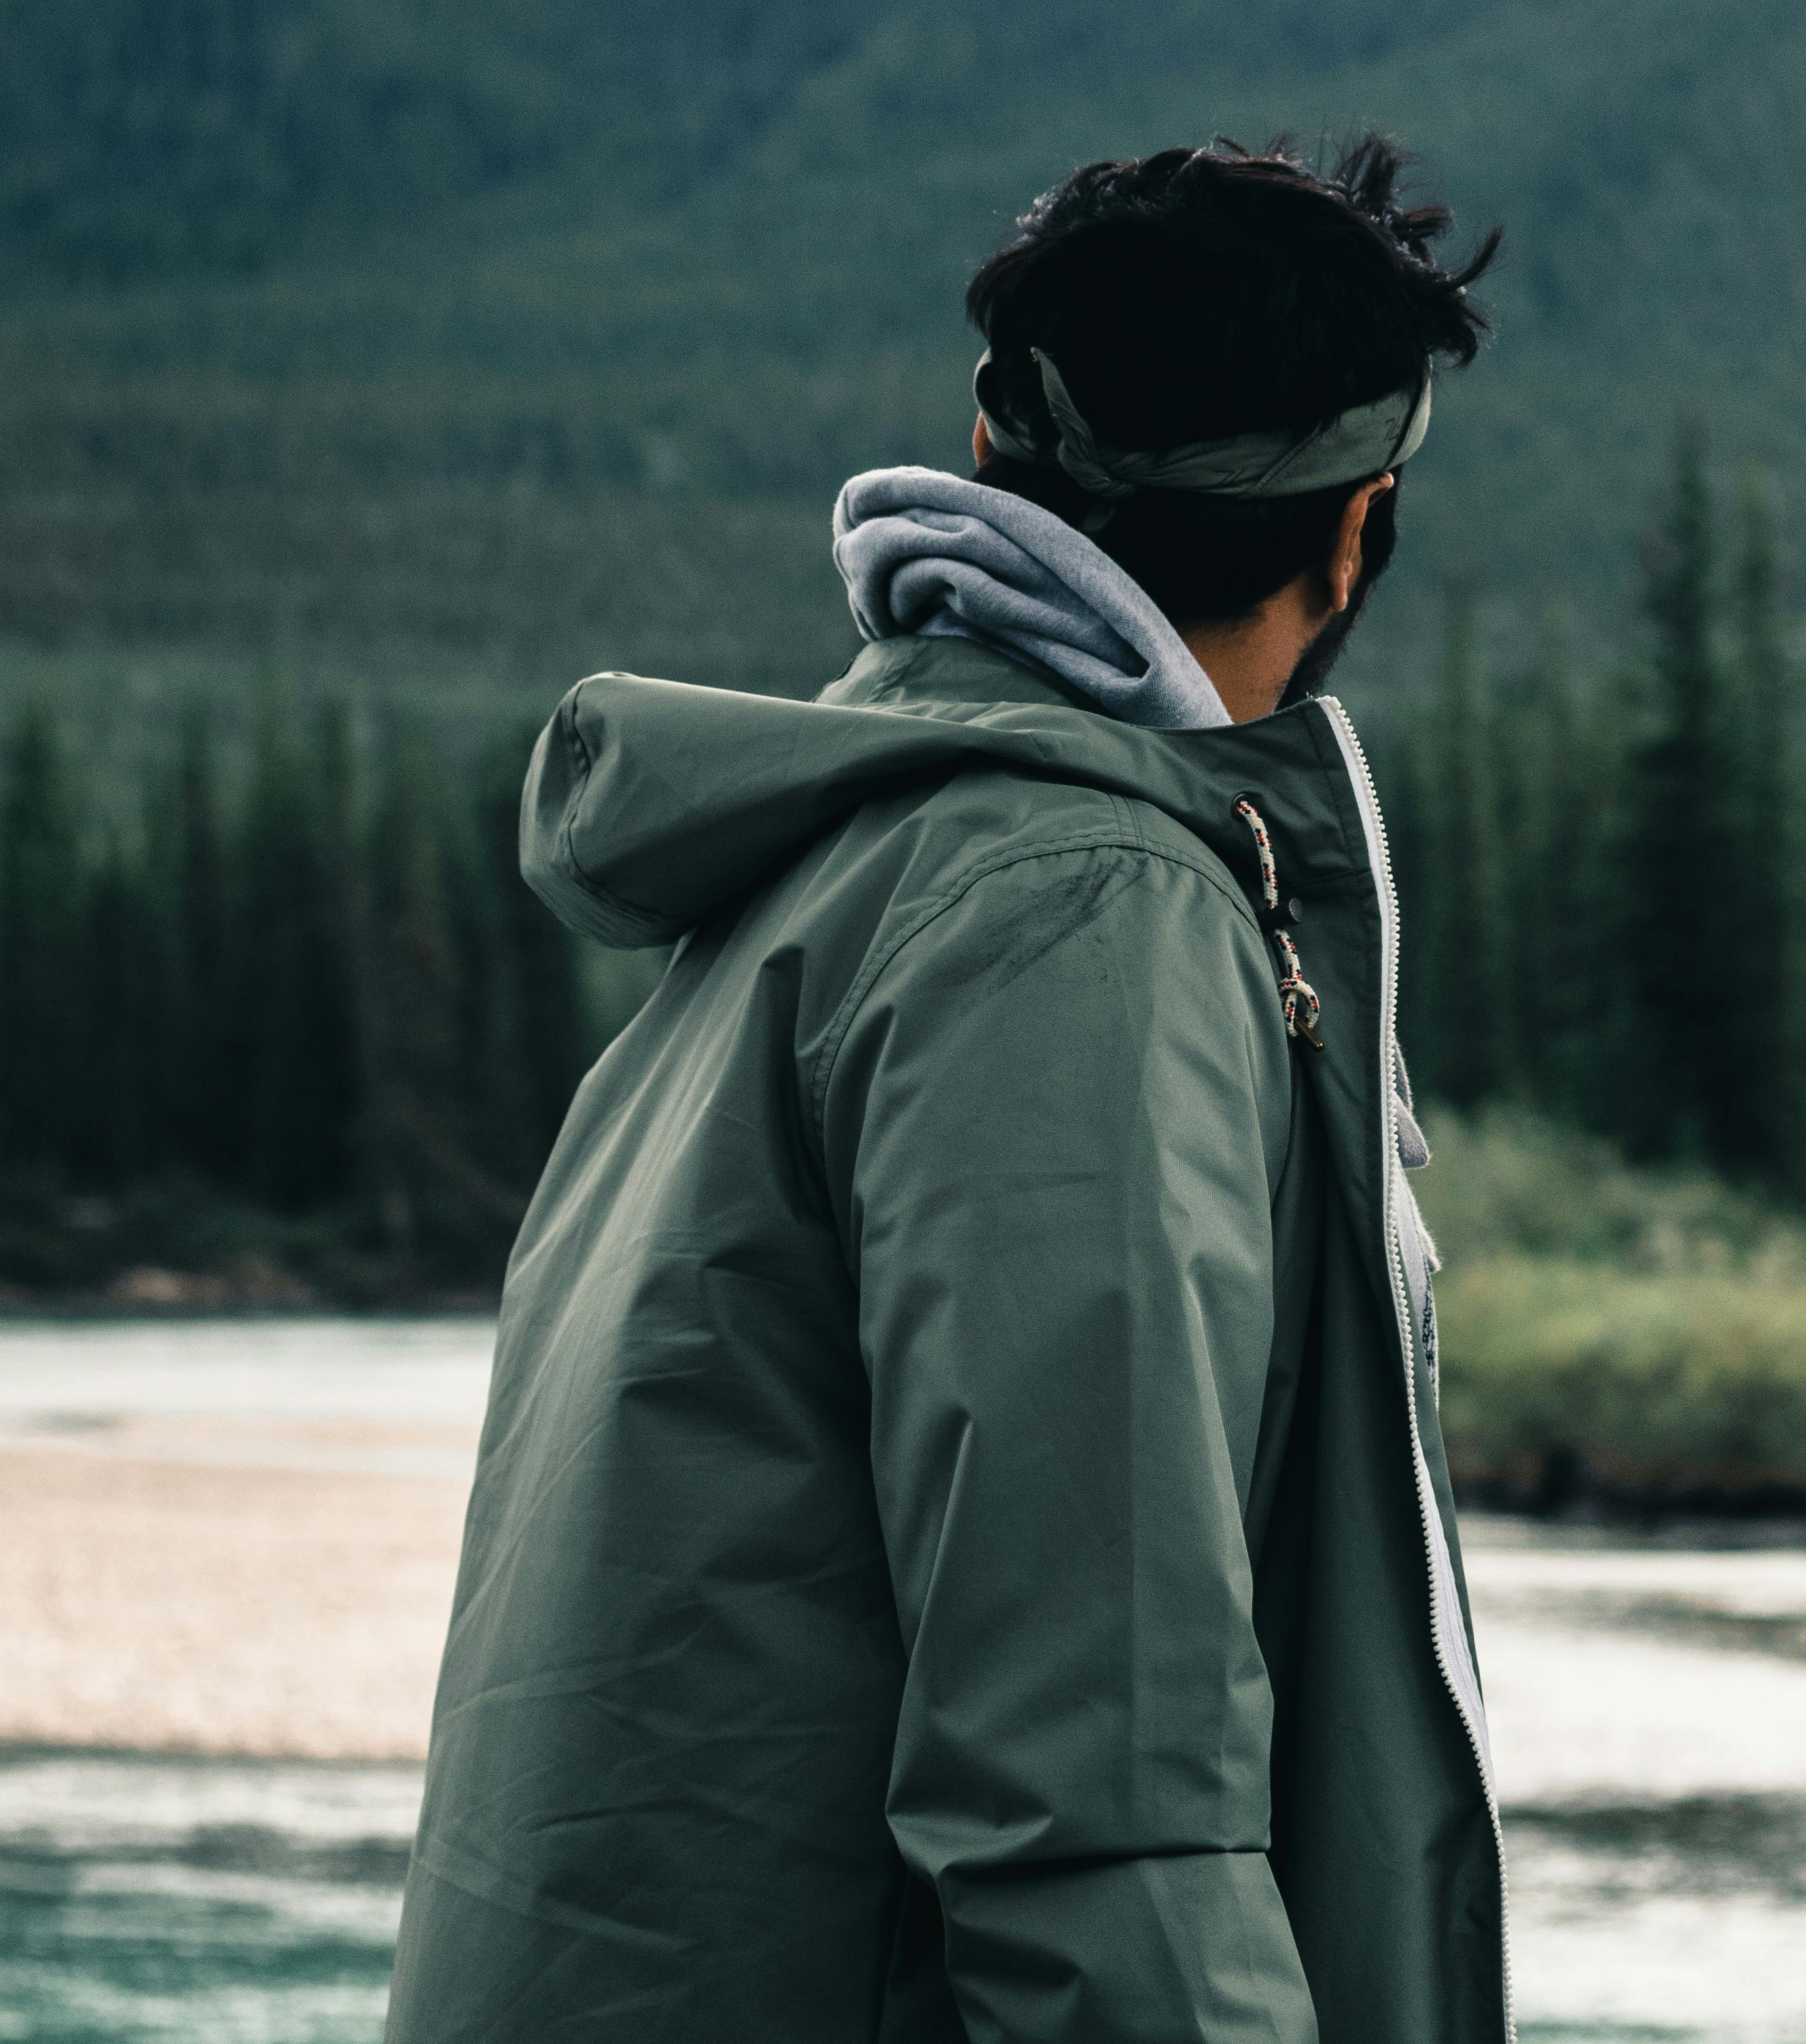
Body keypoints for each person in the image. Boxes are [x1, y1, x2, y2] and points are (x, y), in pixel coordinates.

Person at [385, 134, 1508, 2044]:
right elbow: (1098, 1792)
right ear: (1359, 533)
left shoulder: (820, 871)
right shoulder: (1078, 913)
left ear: (991, 457)